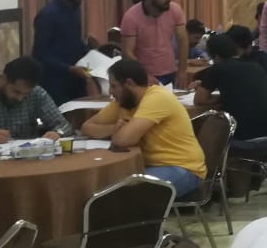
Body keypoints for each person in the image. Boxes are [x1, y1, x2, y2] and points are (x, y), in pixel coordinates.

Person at [81, 58, 206, 196]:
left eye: (114, 86)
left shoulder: (157, 98)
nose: (110, 91)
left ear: (129, 83)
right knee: (100, 188)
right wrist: (113, 129)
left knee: (120, 194)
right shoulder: (124, 101)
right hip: (147, 167)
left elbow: (123, 140)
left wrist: (118, 134)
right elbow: (86, 127)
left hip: (182, 168)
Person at [195, 33, 267, 190]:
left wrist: (218, 99)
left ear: (216, 56)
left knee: (204, 137)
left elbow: (200, 99)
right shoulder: (255, 66)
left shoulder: (217, 69)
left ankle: (213, 187)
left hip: (244, 142)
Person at [32, 0, 92, 104]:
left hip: (76, 79)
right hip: (55, 82)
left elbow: (74, 41)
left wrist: (92, 53)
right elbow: (40, 54)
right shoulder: (48, 15)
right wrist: (68, 69)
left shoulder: (75, 8)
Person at [0, 57, 73, 143]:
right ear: (3, 78)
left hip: (28, 153)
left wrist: (57, 133)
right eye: (16, 92)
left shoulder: (37, 93)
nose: (20, 98)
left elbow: (64, 125)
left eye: (26, 94)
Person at [120, 0, 188, 87]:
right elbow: (127, 53)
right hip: (143, 74)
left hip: (170, 70)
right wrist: (144, 75)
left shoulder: (175, 9)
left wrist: (182, 71)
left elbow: (183, 40)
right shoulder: (131, 17)